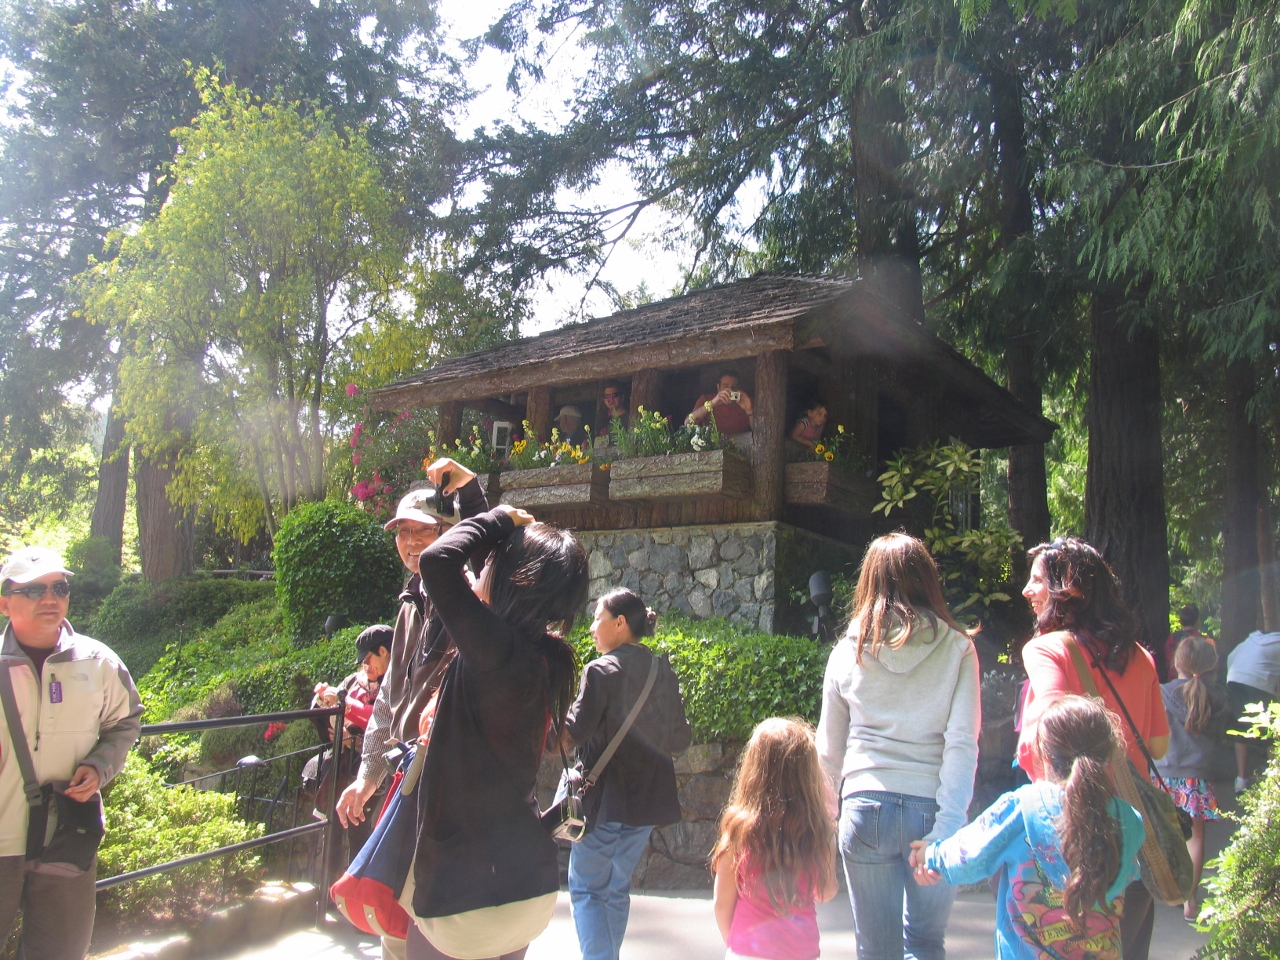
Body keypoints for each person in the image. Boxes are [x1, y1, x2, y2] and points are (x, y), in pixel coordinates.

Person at [404, 504, 588, 960]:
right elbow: (465, 571)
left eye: (492, 562)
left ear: (510, 576)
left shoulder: (497, 651)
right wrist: (481, 504)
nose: (481, 566)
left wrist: (501, 517)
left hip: (462, 899)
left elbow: (436, 563)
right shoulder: (543, 657)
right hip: (521, 889)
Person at [336, 461, 489, 960]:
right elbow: (388, 698)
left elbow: (493, 557)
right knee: (395, 924)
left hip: (448, 778)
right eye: (402, 532)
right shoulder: (408, 605)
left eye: (422, 530)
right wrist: (368, 774)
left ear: (448, 533)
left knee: (430, 918)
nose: (409, 542)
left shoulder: (468, 593)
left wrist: (469, 492)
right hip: (407, 773)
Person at [816, 533, 981, 960]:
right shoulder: (959, 649)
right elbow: (962, 744)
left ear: (869, 581)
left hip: (864, 804)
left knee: (876, 949)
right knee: (926, 943)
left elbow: (829, 754)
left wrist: (825, 829)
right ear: (927, 578)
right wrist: (946, 829)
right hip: (932, 808)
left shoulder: (846, 651)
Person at [1017, 536, 1169, 960]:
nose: (1027, 591)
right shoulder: (1141, 657)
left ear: (1071, 591)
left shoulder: (1048, 650)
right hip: (1134, 838)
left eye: (1036, 581)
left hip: (1069, 844)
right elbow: (1158, 743)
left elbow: (1051, 734)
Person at [910, 695, 1145, 960]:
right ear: (1109, 753)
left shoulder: (1023, 808)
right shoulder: (1130, 821)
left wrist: (931, 855)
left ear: (1043, 753)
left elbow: (968, 856)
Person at [0, 546, 144, 960]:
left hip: (66, 835)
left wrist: (100, 767)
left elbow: (125, 722)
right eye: (34, 590)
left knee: (61, 952)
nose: (50, 598)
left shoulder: (99, 662)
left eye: (59, 587)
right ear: (5, 602)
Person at [564, 589, 692, 960]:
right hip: (647, 801)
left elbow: (574, 733)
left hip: (603, 799)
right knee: (616, 888)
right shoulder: (661, 670)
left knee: (587, 890)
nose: (591, 628)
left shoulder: (599, 670)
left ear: (620, 623)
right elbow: (680, 737)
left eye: (597, 619)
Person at [712, 717, 838, 960]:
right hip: (801, 950)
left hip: (747, 950)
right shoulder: (818, 830)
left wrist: (736, 943)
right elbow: (825, 891)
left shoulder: (739, 829)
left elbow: (722, 901)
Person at [312, 624, 394, 879]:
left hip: (377, 770)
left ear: (383, 651)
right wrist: (323, 701)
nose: (366, 667)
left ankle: (357, 893)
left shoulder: (398, 678)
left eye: (368, 660)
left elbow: (383, 719)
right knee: (333, 827)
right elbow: (330, 719)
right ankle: (329, 892)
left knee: (362, 831)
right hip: (345, 764)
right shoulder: (351, 682)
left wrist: (346, 706)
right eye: (363, 663)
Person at [1155, 634, 1227, 919]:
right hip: (1197, 777)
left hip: (1162, 773)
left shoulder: (1161, 692)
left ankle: (1162, 891)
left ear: (1176, 662)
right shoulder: (1219, 700)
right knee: (1195, 838)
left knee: (1161, 834)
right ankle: (1190, 901)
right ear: (1212, 667)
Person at [688, 370, 754, 451]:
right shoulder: (706, 399)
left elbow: (761, 432)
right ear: (718, 387)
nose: (730, 390)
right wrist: (712, 403)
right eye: (726, 386)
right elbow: (687, 423)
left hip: (742, 448)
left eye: (734, 387)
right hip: (712, 449)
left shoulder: (746, 401)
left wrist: (749, 410)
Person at [1164, 603, 1213, 682]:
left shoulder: (1171, 639)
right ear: (1198, 621)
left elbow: (1169, 661)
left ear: (1180, 621)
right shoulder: (1205, 642)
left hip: (1174, 682)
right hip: (1199, 684)